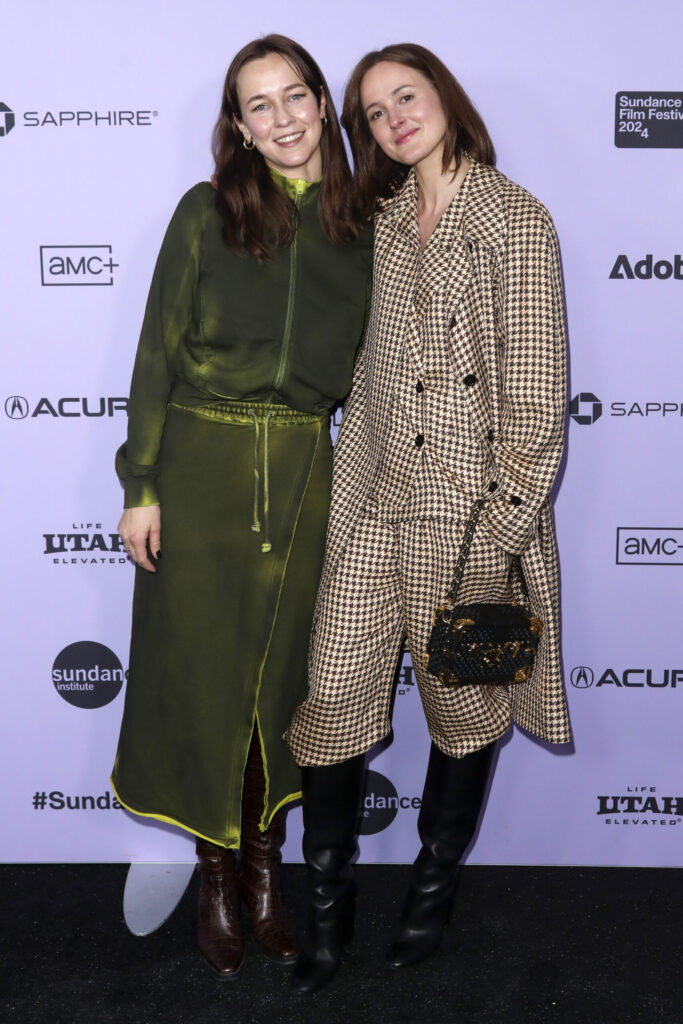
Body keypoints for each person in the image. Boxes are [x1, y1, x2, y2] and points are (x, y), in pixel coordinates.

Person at [286, 43, 571, 993]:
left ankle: (430, 892)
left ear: (444, 97)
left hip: (471, 516)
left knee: (462, 709)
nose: (393, 117)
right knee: (329, 700)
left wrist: (495, 545)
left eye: (406, 96)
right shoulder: (379, 219)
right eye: (372, 111)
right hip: (370, 503)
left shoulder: (516, 221)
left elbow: (535, 412)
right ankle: (324, 904)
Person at [110, 34, 372, 980]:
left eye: (294, 95)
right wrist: (140, 484)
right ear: (239, 128)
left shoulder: (362, 224)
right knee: (205, 679)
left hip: (307, 469)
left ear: (319, 105)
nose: (282, 117)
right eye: (258, 105)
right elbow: (153, 354)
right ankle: (216, 876)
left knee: (280, 686)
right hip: (202, 467)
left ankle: (267, 871)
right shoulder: (203, 212)